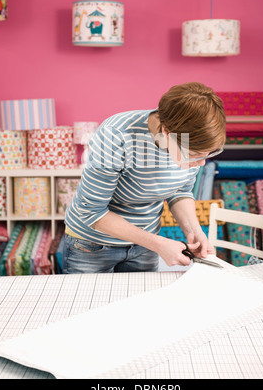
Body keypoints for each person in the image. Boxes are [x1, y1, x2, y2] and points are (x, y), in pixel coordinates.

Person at [63, 82, 226, 274]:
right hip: (91, 245)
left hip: (144, 247)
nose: (201, 164)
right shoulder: (116, 135)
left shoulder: (189, 139)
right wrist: (158, 244)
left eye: (208, 154)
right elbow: (91, 212)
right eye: (196, 154)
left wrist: (194, 232)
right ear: (166, 132)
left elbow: (180, 191)